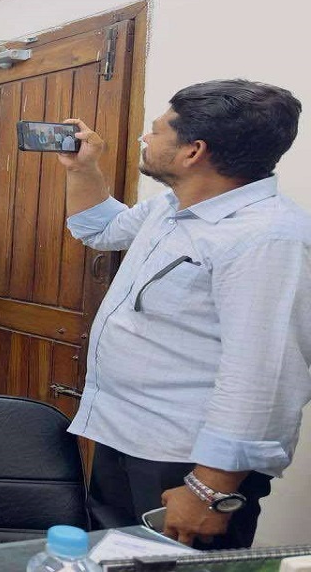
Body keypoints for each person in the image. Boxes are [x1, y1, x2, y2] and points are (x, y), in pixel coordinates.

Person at [60, 79, 311, 549]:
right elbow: (101, 228)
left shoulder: (268, 237)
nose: (145, 138)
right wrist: (82, 167)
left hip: (187, 462)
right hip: (126, 434)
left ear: (194, 151)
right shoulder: (174, 206)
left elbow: (265, 376)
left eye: (157, 131)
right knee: (115, 558)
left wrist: (209, 489)